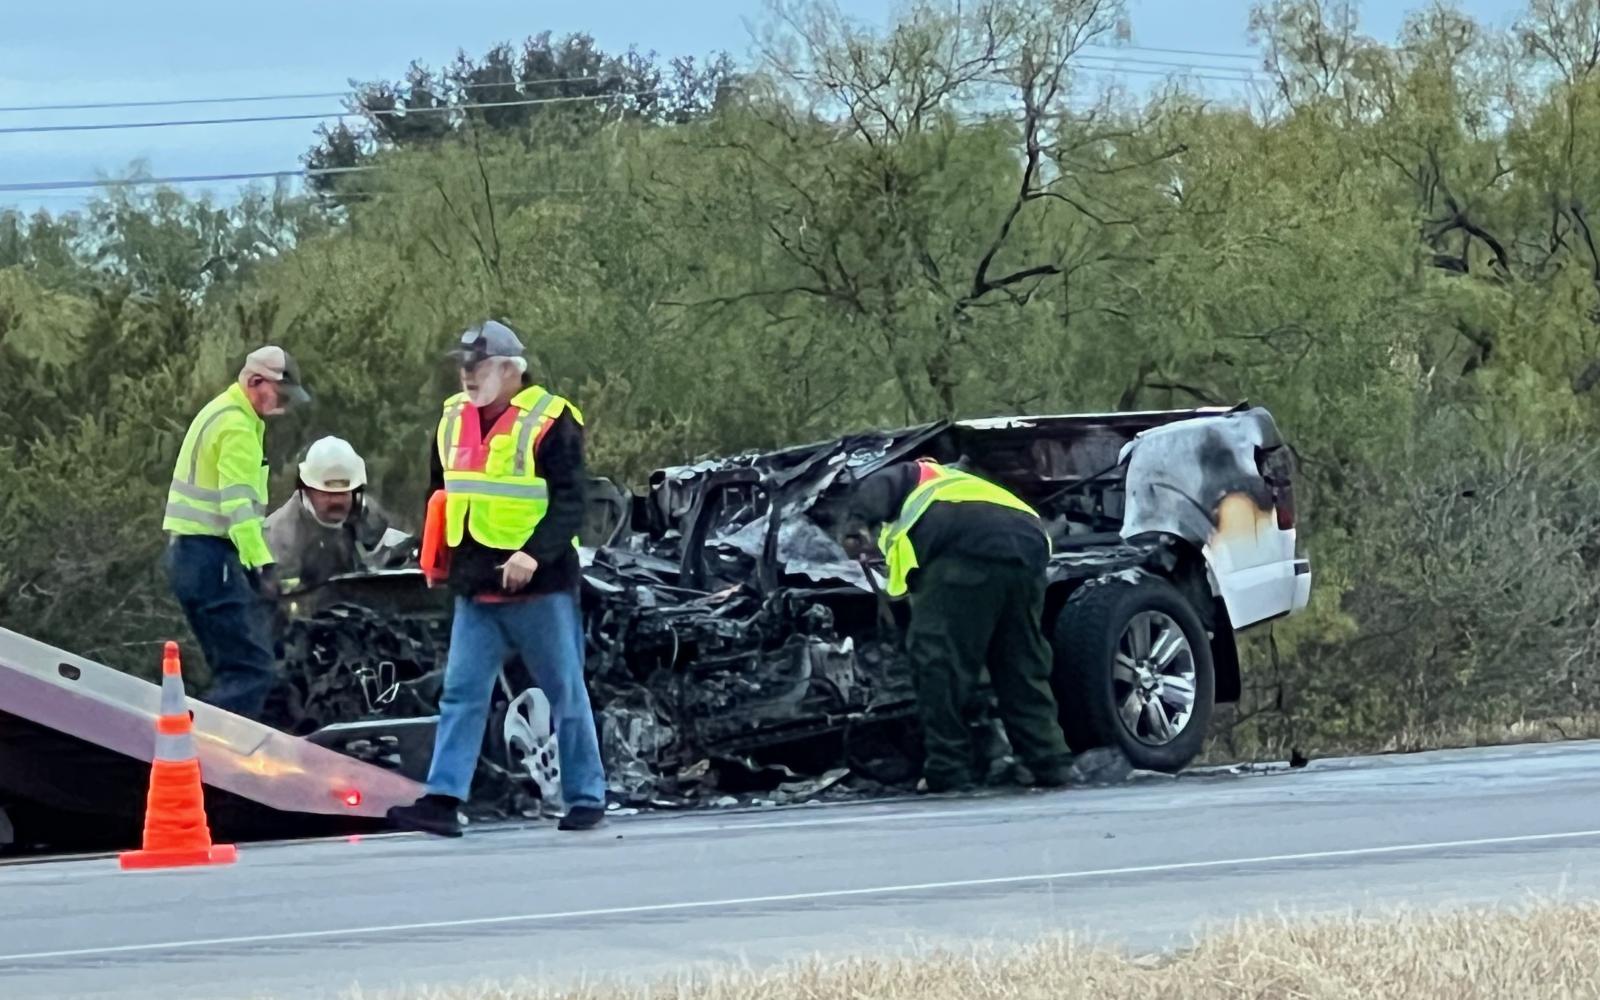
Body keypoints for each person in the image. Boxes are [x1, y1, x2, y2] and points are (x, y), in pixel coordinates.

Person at [386, 320, 607, 837]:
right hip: (477, 587)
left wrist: (533, 555)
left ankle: (586, 797)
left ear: (511, 370)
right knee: (462, 693)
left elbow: (574, 502)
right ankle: (443, 800)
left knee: (565, 693)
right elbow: (441, 496)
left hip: (539, 588)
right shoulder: (451, 420)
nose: (467, 375)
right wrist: (437, 561)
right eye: (463, 365)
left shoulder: (552, 422)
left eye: (478, 365)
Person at [831, 458, 1072, 793]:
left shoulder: (920, 474)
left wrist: (855, 523)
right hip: (1028, 545)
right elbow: (904, 594)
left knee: (938, 665)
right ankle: (1050, 763)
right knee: (1021, 663)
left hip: (963, 547)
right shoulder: (973, 487)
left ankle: (948, 769)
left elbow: (883, 483)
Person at [162, 346, 309, 721]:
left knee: (231, 669)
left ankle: (196, 742)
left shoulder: (219, 413)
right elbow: (239, 512)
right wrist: (263, 567)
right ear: (255, 381)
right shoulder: (238, 428)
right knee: (252, 670)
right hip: (212, 558)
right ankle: (207, 749)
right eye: (279, 393)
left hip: (188, 558)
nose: (283, 404)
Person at [264, 435, 412, 594]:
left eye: (343, 494)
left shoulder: (369, 517)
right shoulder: (280, 536)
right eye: (326, 494)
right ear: (306, 490)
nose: (336, 501)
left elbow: (398, 556)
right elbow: (278, 600)